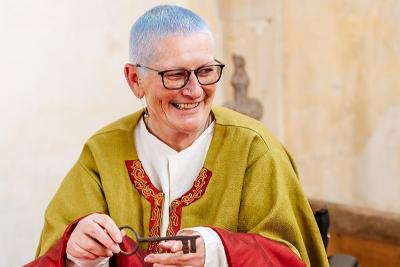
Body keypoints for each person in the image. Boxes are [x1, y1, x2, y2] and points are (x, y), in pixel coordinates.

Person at [25, 5, 329, 267]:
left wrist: (216, 252)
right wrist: (76, 252)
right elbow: (54, 254)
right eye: (175, 75)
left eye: (206, 71)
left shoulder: (255, 148)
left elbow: (292, 258)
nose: (195, 90)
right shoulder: (102, 153)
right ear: (135, 79)